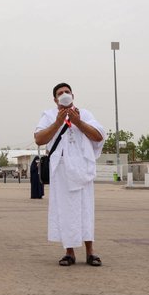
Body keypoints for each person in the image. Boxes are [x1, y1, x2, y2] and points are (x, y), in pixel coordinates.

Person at [34, 83, 106, 267]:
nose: (64, 95)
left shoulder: (85, 114)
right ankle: (69, 252)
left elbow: (98, 137)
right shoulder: (49, 115)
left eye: (67, 92)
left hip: (82, 169)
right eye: (60, 93)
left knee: (85, 209)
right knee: (66, 211)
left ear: (73, 95)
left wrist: (78, 122)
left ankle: (90, 252)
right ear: (55, 99)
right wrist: (58, 122)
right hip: (62, 170)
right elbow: (39, 138)